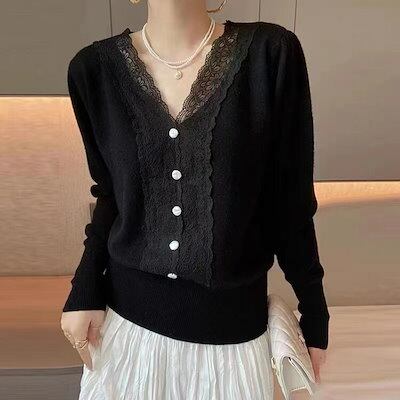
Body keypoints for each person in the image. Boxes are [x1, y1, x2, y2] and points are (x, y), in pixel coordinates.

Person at [60, 0, 330, 398]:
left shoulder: (270, 54)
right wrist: (83, 288)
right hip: (125, 339)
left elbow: (290, 203)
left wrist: (315, 314)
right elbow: (111, 194)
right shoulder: (92, 71)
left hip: (232, 346)